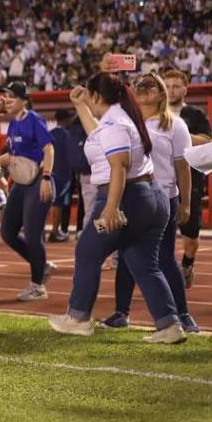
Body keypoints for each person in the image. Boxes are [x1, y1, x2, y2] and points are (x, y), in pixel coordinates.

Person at [47, 73, 184, 343]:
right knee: (145, 264)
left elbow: (118, 165)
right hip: (150, 196)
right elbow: (98, 135)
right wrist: (80, 105)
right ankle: (169, 324)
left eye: (89, 93)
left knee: (87, 252)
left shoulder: (115, 122)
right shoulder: (120, 118)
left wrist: (111, 207)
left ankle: (78, 317)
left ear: (98, 96)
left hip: (127, 196)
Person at [103, 73, 193, 331]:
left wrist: (185, 203)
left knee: (164, 258)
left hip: (164, 199)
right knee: (127, 256)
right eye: (138, 85)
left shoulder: (175, 125)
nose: (142, 89)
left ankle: (183, 315)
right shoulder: (126, 123)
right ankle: (121, 313)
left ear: (162, 93)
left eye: (149, 86)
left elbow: (183, 167)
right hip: (132, 198)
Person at [0, 80, 57, 301]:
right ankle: (41, 265)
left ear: (23, 100)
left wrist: (47, 177)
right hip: (21, 184)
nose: (6, 99)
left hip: (38, 181)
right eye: (5, 95)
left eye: (11, 96)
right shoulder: (13, 123)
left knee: (33, 234)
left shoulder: (34, 119)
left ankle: (38, 286)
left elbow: (49, 148)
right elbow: (14, 157)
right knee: (7, 232)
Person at [162, 69, 211, 295]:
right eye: (167, 86)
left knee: (190, 235)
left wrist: (180, 134)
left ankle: (188, 263)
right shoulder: (155, 115)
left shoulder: (195, 114)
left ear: (185, 89)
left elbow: (207, 141)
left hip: (190, 180)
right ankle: (163, 273)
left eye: (175, 86)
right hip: (161, 182)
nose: (171, 90)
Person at [47, 110, 75, 242]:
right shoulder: (67, 135)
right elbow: (71, 154)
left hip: (49, 172)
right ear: (65, 120)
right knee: (59, 204)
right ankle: (55, 231)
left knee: (47, 203)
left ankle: (42, 231)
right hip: (63, 173)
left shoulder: (50, 134)